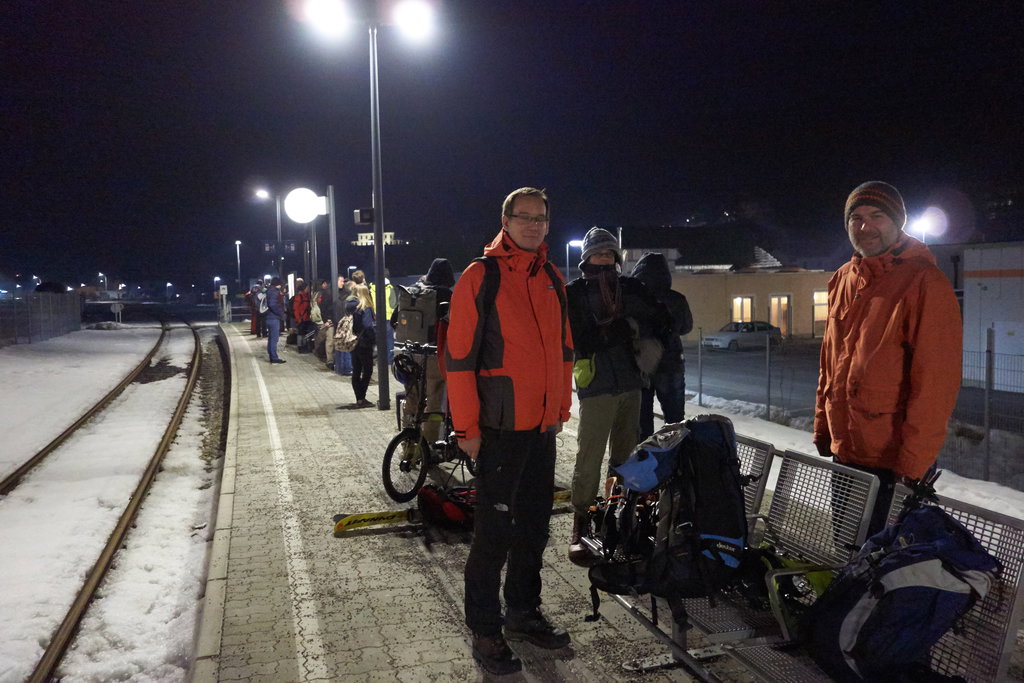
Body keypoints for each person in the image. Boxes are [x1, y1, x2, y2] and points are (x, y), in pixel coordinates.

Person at [445, 187, 573, 675]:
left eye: (541, 218)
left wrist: (559, 409)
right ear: (505, 220)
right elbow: (458, 359)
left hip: (540, 429)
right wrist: (467, 429)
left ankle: (523, 611)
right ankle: (485, 629)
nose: (533, 225)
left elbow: (564, 350)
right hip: (498, 430)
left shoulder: (551, 278)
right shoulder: (482, 277)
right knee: (494, 533)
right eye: (524, 217)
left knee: (534, 527)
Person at [814, 181, 962, 536]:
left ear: (898, 222)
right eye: (857, 218)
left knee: (886, 567)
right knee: (846, 550)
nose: (865, 227)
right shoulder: (842, 280)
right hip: (846, 452)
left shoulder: (925, 282)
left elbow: (935, 385)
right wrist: (824, 428)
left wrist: (912, 464)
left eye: (877, 216)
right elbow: (830, 364)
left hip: (893, 462)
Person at [565, 228, 668, 564]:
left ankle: (620, 514)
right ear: (586, 258)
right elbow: (581, 338)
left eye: (610, 254)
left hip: (630, 383)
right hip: (595, 387)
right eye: (598, 253)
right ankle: (580, 521)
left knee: (625, 456)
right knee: (589, 455)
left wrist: (634, 329)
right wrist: (621, 329)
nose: (605, 259)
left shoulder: (630, 287)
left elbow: (663, 317)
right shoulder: (575, 293)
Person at [630, 252, 694, 440]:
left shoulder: (635, 299)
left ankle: (645, 460)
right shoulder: (677, 299)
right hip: (672, 363)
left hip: (641, 364)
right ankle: (674, 460)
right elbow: (686, 327)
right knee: (675, 421)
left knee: (642, 421)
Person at [395, 258, 455, 447]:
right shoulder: (445, 294)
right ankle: (429, 446)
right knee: (434, 401)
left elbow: (393, 321)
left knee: (412, 399)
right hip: (433, 355)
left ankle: (408, 443)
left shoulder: (413, 291)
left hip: (407, 353)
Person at [347, 283, 376, 408]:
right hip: (364, 342)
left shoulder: (350, 307)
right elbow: (368, 325)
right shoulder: (366, 307)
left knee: (356, 370)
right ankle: (362, 397)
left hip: (354, 341)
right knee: (368, 369)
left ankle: (358, 398)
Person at [265, 277, 286, 364]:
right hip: (273, 318)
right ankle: (274, 358)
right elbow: (273, 304)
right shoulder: (274, 292)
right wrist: (281, 314)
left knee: (271, 338)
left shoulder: (269, 291)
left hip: (268, 317)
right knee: (274, 339)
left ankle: (271, 355)